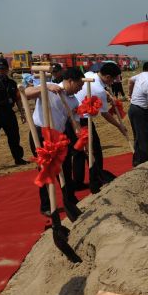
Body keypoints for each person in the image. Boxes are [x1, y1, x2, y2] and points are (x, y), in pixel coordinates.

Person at [24, 68, 84, 215]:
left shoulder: (74, 101)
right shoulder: (49, 88)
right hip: (41, 133)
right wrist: (45, 87)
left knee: (66, 167)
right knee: (45, 168)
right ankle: (46, 205)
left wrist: (80, 134)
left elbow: (74, 121)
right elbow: (25, 93)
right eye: (79, 85)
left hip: (59, 134)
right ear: (70, 81)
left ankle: (69, 199)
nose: (80, 88)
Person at [73, 62, 127, 188]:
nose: (113, 82)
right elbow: (105, 114)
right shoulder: (98, 90)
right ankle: (96, 179)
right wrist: (119, 126)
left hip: (74, 117)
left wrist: (108, 95)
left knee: (79, 150)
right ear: (108, 77)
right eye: (113, 79)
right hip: (83, 120)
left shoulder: (90, 74)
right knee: (94, 150)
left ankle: (78, 181)